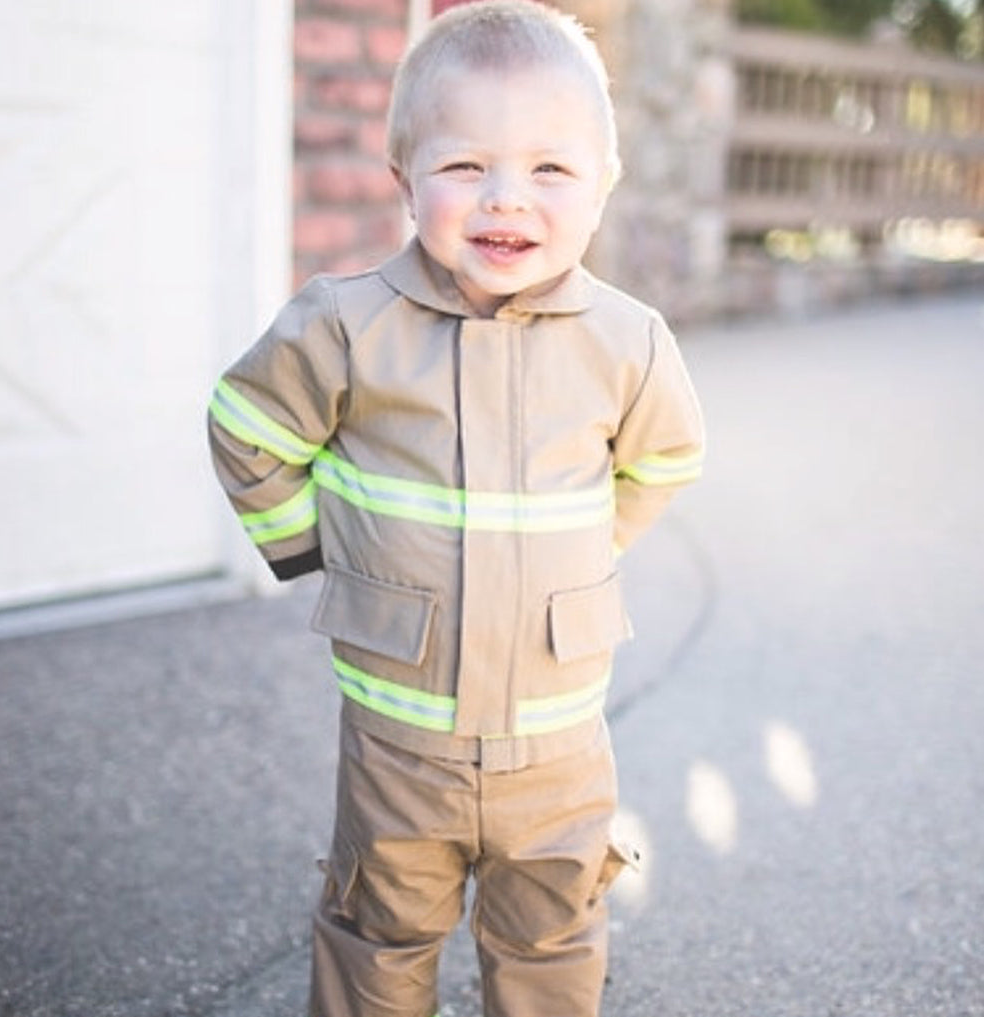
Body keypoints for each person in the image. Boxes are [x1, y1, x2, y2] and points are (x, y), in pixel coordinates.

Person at [207, 1, 704, 1014]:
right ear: (404, 178)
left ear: (603, 186)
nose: (505, 200)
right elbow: (245, 427)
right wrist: (312, 550)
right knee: (378, 929)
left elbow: (665, 459)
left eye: (550, 169)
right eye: (465, 166)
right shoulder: (346, 326)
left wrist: (587, 547)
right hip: (399, 737)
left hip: (558, 743)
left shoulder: (629, 342)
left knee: (552, 935)